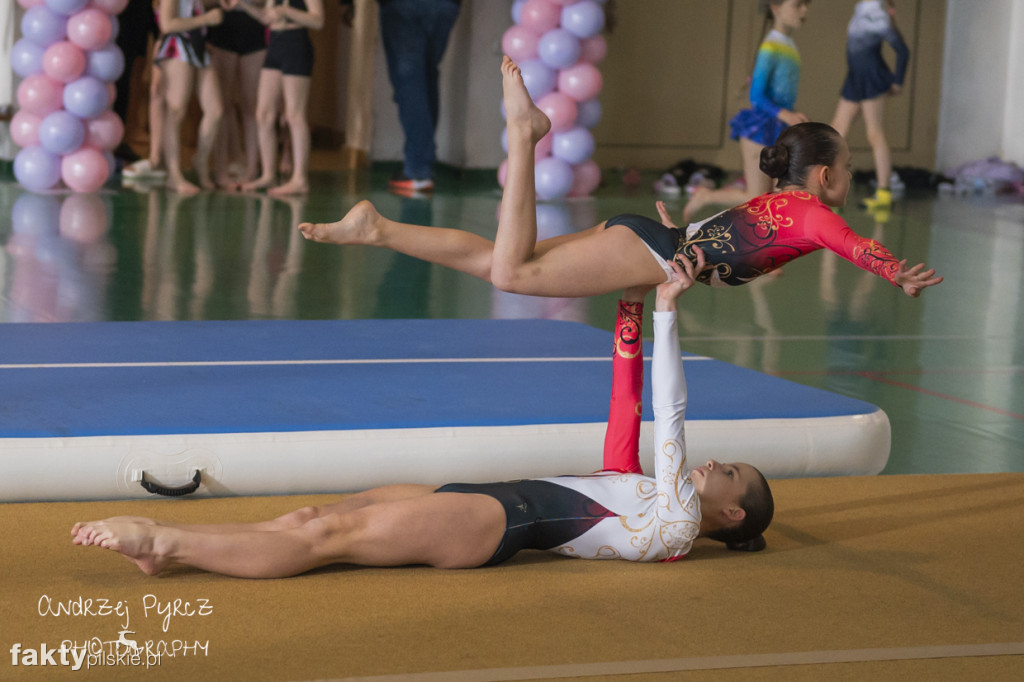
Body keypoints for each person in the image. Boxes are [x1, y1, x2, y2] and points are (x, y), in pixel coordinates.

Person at [71, 254, 774, 576]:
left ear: (733, 514)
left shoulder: (676, 524)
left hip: (494, 526)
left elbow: (670, 415)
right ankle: (168, 552)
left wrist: (669, 311)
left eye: (730, 474)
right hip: (490, 504)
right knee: (316, 518)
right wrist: (628, 306)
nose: (714, 465)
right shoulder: (651, 498)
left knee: (328, 538)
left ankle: (167, 543)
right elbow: (628, 411)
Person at [298, 58, 942, 302]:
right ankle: (523, 136)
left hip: (650, 246)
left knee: (502, 263)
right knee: (511, 274)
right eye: (851, 171)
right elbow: (852, 245)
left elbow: (741, 243)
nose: (851, 182)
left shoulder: (782, 201)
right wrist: (895, 273)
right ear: (825, 176)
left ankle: (377, 228)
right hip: (652, 252)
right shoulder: (811, 214)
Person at [684, 0, 810, 222]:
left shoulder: (789, 45)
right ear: (776, 8)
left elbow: (782, 93)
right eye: (798, 5)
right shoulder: (770, 48)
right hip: (760, 128)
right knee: (757, 196)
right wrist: (786, 114)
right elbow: (756, 96)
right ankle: (706, 196)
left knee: (779, 194)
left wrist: (791, 114)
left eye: (806, 4)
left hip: (779, 127)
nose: (804, 10)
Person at [339, 0, 461, 194]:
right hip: (446, 5)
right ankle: (421, 165)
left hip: (402, 5)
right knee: (427, 77)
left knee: (410, 82)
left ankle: (418, 171)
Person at [233, 0, 324, 196]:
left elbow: (317, 21)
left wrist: (285, 10)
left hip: (296, 43)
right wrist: (243, 3)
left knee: (294, 114)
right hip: (275, 43)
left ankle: (300, 179)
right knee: (263, 114)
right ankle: (267, 174)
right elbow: (266, 16)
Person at [830, 0, 910, 212]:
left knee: (874, 133)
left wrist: (898, 81)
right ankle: (832, 189)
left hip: (871, 77)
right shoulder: (862, 9)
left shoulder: (878, 14)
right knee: (836, 132)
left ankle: (884, 192)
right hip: (856, 77)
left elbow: (903, 51)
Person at [154, 0, 227, 194]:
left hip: (198, 43)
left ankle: (201, 160)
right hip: (177, 43)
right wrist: (206, 19)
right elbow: (167, 24)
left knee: (216, 110)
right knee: (176, 109)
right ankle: (174, 174)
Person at [207, 1, 268, 187]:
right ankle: (220, 170)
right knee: (222, 105)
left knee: (251, 105)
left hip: (254, 29)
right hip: (223, 29)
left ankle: (251, 168)